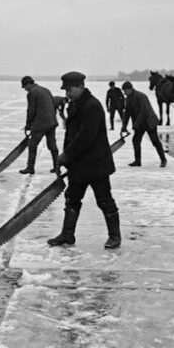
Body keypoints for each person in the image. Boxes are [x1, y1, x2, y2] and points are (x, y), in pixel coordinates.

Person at [49, 71, 121, 249]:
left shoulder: (92, 106)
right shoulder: (75, 105)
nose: (67, 93)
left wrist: (66, 155)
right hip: (78, 165)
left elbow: (85, 137)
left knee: (104, 200)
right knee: (72, 199)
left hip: (96, 165)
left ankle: (115, 236)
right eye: (66, 90)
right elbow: (71, 135)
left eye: (70, 89)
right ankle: (67, 235)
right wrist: (67, 157)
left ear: (81, 86)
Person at [120, 81, 167, 168]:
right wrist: (124, 126)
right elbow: (127, 113)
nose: (124, 93)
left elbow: (143, 112)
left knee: (155, 141)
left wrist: (136, 124)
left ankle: (163, 160)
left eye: (125, 91)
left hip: (149, 121)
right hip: (140, 123)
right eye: (124, 91)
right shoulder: (128, 99)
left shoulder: (141, 96)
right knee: (136, 140)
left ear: (130, 89)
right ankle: (137, 161)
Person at [20, 76, 60, 175]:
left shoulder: (32, 93)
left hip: (41, 123)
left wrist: (28, 124)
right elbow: (53, 104)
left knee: (32, 145)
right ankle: (57, 167)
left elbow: (31, 110)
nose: (25, 89)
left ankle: (30, 168)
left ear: (28, 84)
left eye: (25, 87)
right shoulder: (46, 90)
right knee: (52, 145)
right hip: (51, 122)